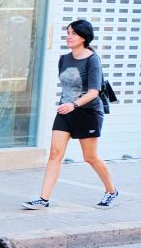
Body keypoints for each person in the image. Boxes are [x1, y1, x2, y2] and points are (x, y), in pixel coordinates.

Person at [22, 19, 120, 210]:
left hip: (87, 112)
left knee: (90, 157)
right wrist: (67, 105)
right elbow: (68, 87)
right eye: (68, 32)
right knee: (55, 154)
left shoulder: (93, 60)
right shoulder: (64, 59)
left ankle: (111, 191)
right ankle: (43, 198)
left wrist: (74, 104)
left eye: (73, 33)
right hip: (66, 111)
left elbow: (94, 92)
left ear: (84, 37)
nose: (69, 36)